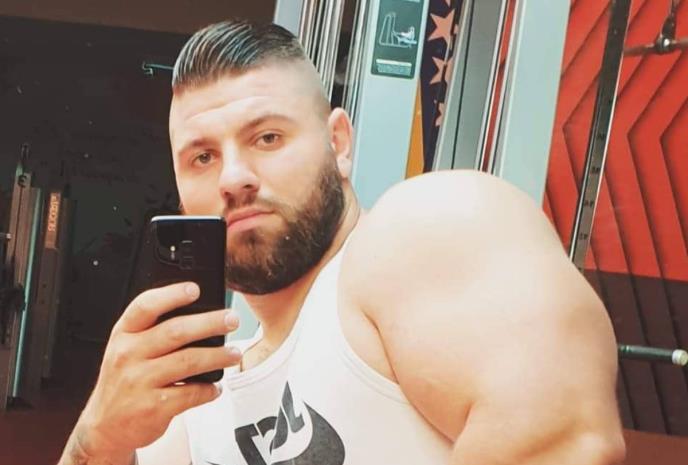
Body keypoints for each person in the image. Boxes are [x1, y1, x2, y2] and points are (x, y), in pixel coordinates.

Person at [58, 19, 625, 465]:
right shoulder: (193, 406)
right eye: (202, 157)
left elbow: (562, 440)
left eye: (267, 137)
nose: (233, 178)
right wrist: (97, 436)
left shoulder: (421, 229)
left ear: (339, 143)